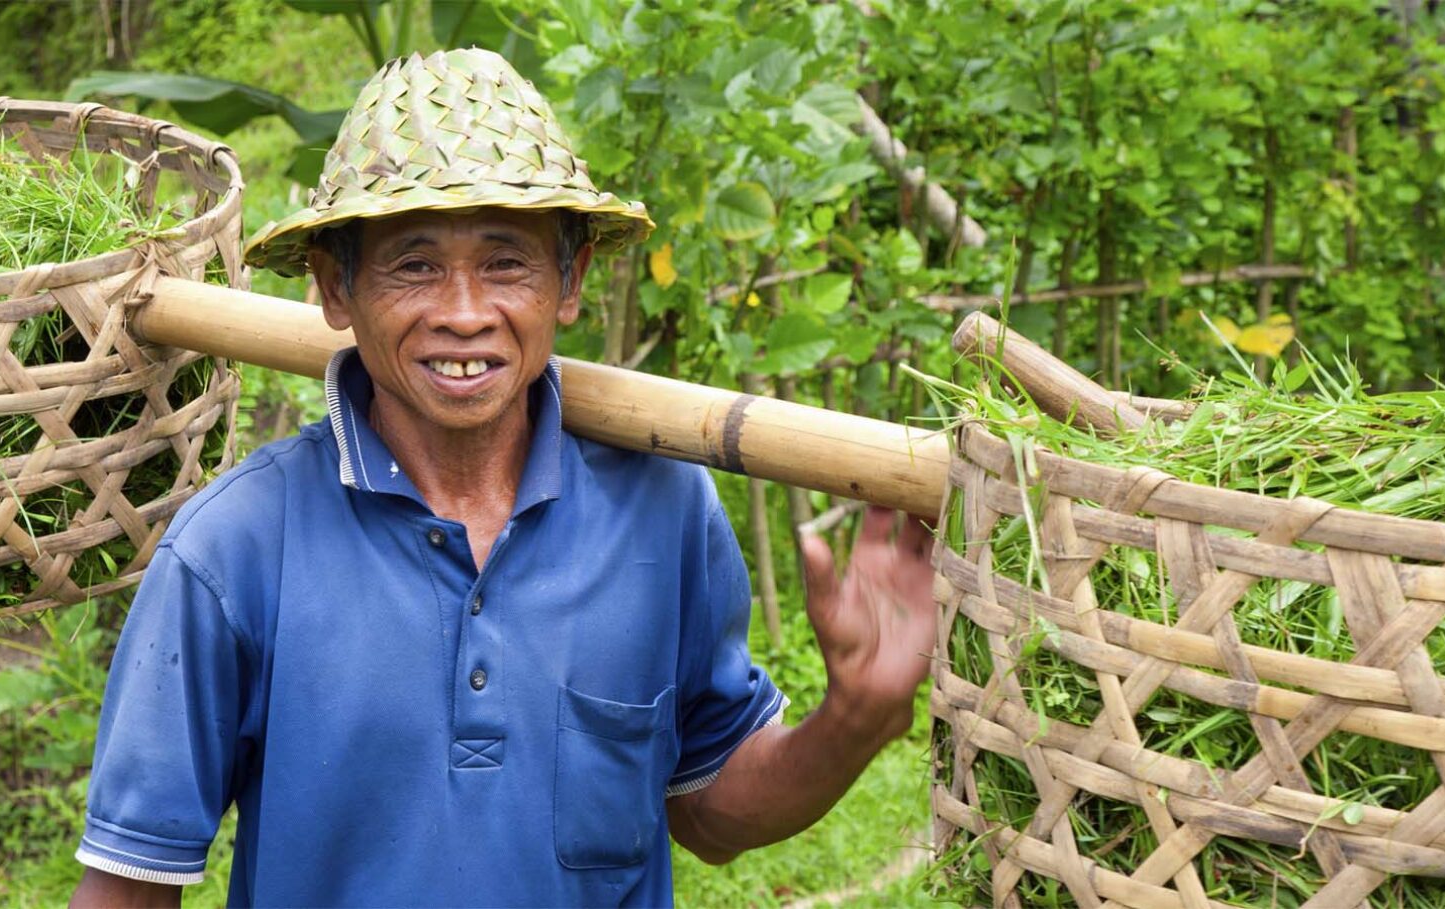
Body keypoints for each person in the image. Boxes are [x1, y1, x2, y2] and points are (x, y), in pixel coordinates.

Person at [69, 48, 935, 908]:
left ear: (571, 279)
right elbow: (127, 889)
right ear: (337, 286)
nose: (464, 313)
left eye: (506, 263)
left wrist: (852, 719)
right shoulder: (235, 549)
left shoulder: (661, 510)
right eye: (414, 264)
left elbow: (711, 812)